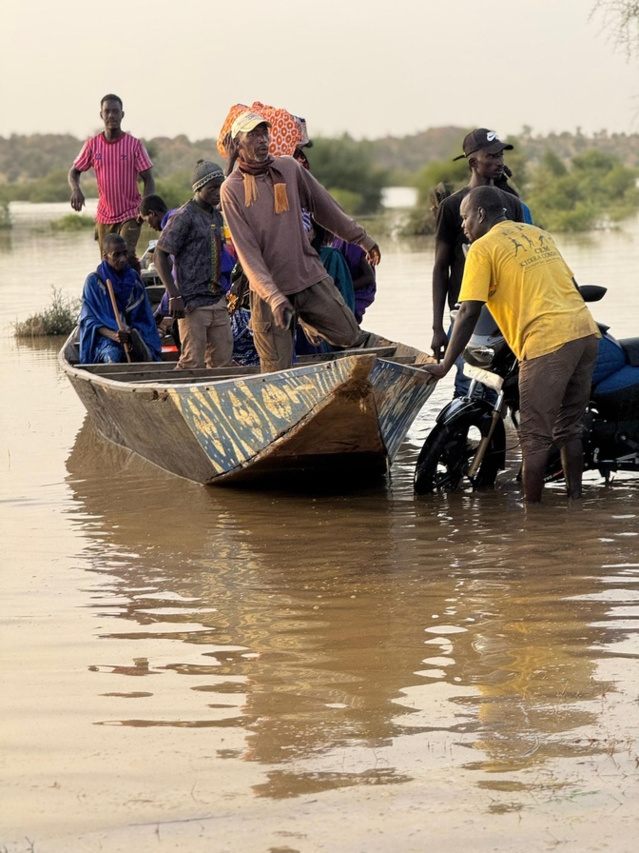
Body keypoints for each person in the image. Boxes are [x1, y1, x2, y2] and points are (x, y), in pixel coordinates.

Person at [423, 186, 601, 504]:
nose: (463, 226)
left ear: (480, 214)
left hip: (548, 341)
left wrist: (446, 364)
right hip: (584, 334)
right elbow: (570, 287)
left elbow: (467, 311)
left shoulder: (482, 248)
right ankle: (576, 504)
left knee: (533, 439)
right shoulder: (538, 234)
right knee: (568, 429)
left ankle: (530, 525)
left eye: (465, 218)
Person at [220, 110, 381, 373]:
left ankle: (307, 320)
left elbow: (325, 207)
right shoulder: (231, 188)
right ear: (238, 144)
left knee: (349, 334)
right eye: (254, 135)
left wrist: (362, 239)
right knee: (276, 370)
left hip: (307, 276)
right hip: (268, 293)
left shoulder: (288, 167)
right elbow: (248, 254)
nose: (262, 140)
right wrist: (273, 297)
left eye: (264, 133)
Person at [432, 128, 525, 396]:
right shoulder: (452, 207)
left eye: (501, 155)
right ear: (473, 162)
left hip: (502, 313)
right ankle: (461, 438)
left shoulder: (511, 203)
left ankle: (495, 437)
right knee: (466, 384)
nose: (500, 161)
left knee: (503, 384)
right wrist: (438, 327)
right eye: (491, 156)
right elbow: (441, 268)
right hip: (465, 311)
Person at [153, 160, 233, 370]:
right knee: (192, 363)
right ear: (198, 188)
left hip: (217, 300)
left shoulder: (216, 215)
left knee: (222, 363)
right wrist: (174, 296)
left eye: (220, 187)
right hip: (192, 303)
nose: (217, 192)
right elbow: (160, 256)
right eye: (212, 188)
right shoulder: (184, 216)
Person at [68, 94, 155, 270]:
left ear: (122, 114)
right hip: (104, 216)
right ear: (101, 115)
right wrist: (76, 189)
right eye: (107, 111)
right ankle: (111, 295)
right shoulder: (92, 145)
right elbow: (74, 171)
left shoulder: (134, 145)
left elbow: (148, 178)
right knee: (108, 262)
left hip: (130, 212)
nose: (111, 116)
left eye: (115, 111)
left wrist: (144, 208)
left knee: (126, 255)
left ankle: (134, 292)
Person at [78, 233, 162, 364]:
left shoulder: (134, 278)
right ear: (105, 256)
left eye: (125, 253)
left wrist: (131, 334)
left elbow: (144, 316)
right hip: (106, 339)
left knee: (148, 354)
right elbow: (89, 321)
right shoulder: (94, 281)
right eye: (116, 255)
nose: (122, 259)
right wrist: (115, 336)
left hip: (135, 335)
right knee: (112, 356)